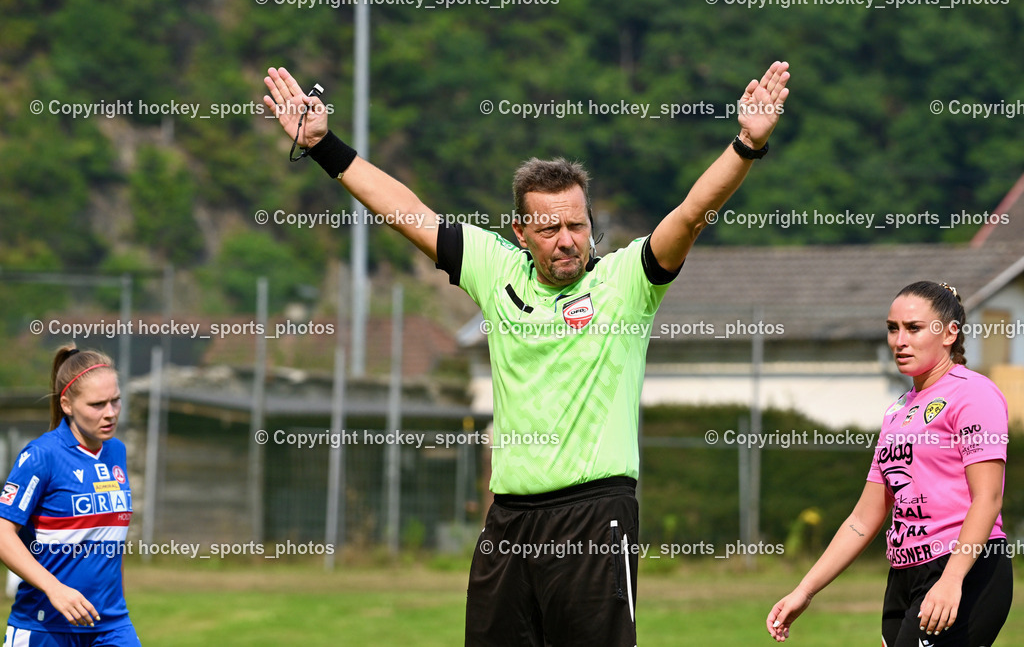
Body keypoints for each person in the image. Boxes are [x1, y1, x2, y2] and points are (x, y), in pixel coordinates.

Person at [264, 61, 790, 645]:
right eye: (548, 229)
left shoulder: (626, 281)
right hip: (509, 520)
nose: (566, 239)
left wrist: (747, 145)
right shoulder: (496, 271)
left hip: (594, 515)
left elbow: (692, 213)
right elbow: (406, 212)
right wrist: (322, 147)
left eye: (576, 224)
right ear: (520, 232)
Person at [767, 281, 1012, 646]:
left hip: (964, 567)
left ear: (949, 333)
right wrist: (805, 590)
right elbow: (862, 519)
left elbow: (988, 499)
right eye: (892, 328)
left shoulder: (973, 393)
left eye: (913, 328)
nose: (900, 340)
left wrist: (952, 579)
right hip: (904, 576)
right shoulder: (897, 411)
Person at [0, 346, 140, 646]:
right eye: (97, 404)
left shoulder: (116, 451)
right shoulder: (42, 455)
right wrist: (55, 589)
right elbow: (2, 534)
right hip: (44, 627)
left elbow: (111, 538)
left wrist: (118, 603)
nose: (110, 413)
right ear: (66, 404)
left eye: (116, 401)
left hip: (111, 625)